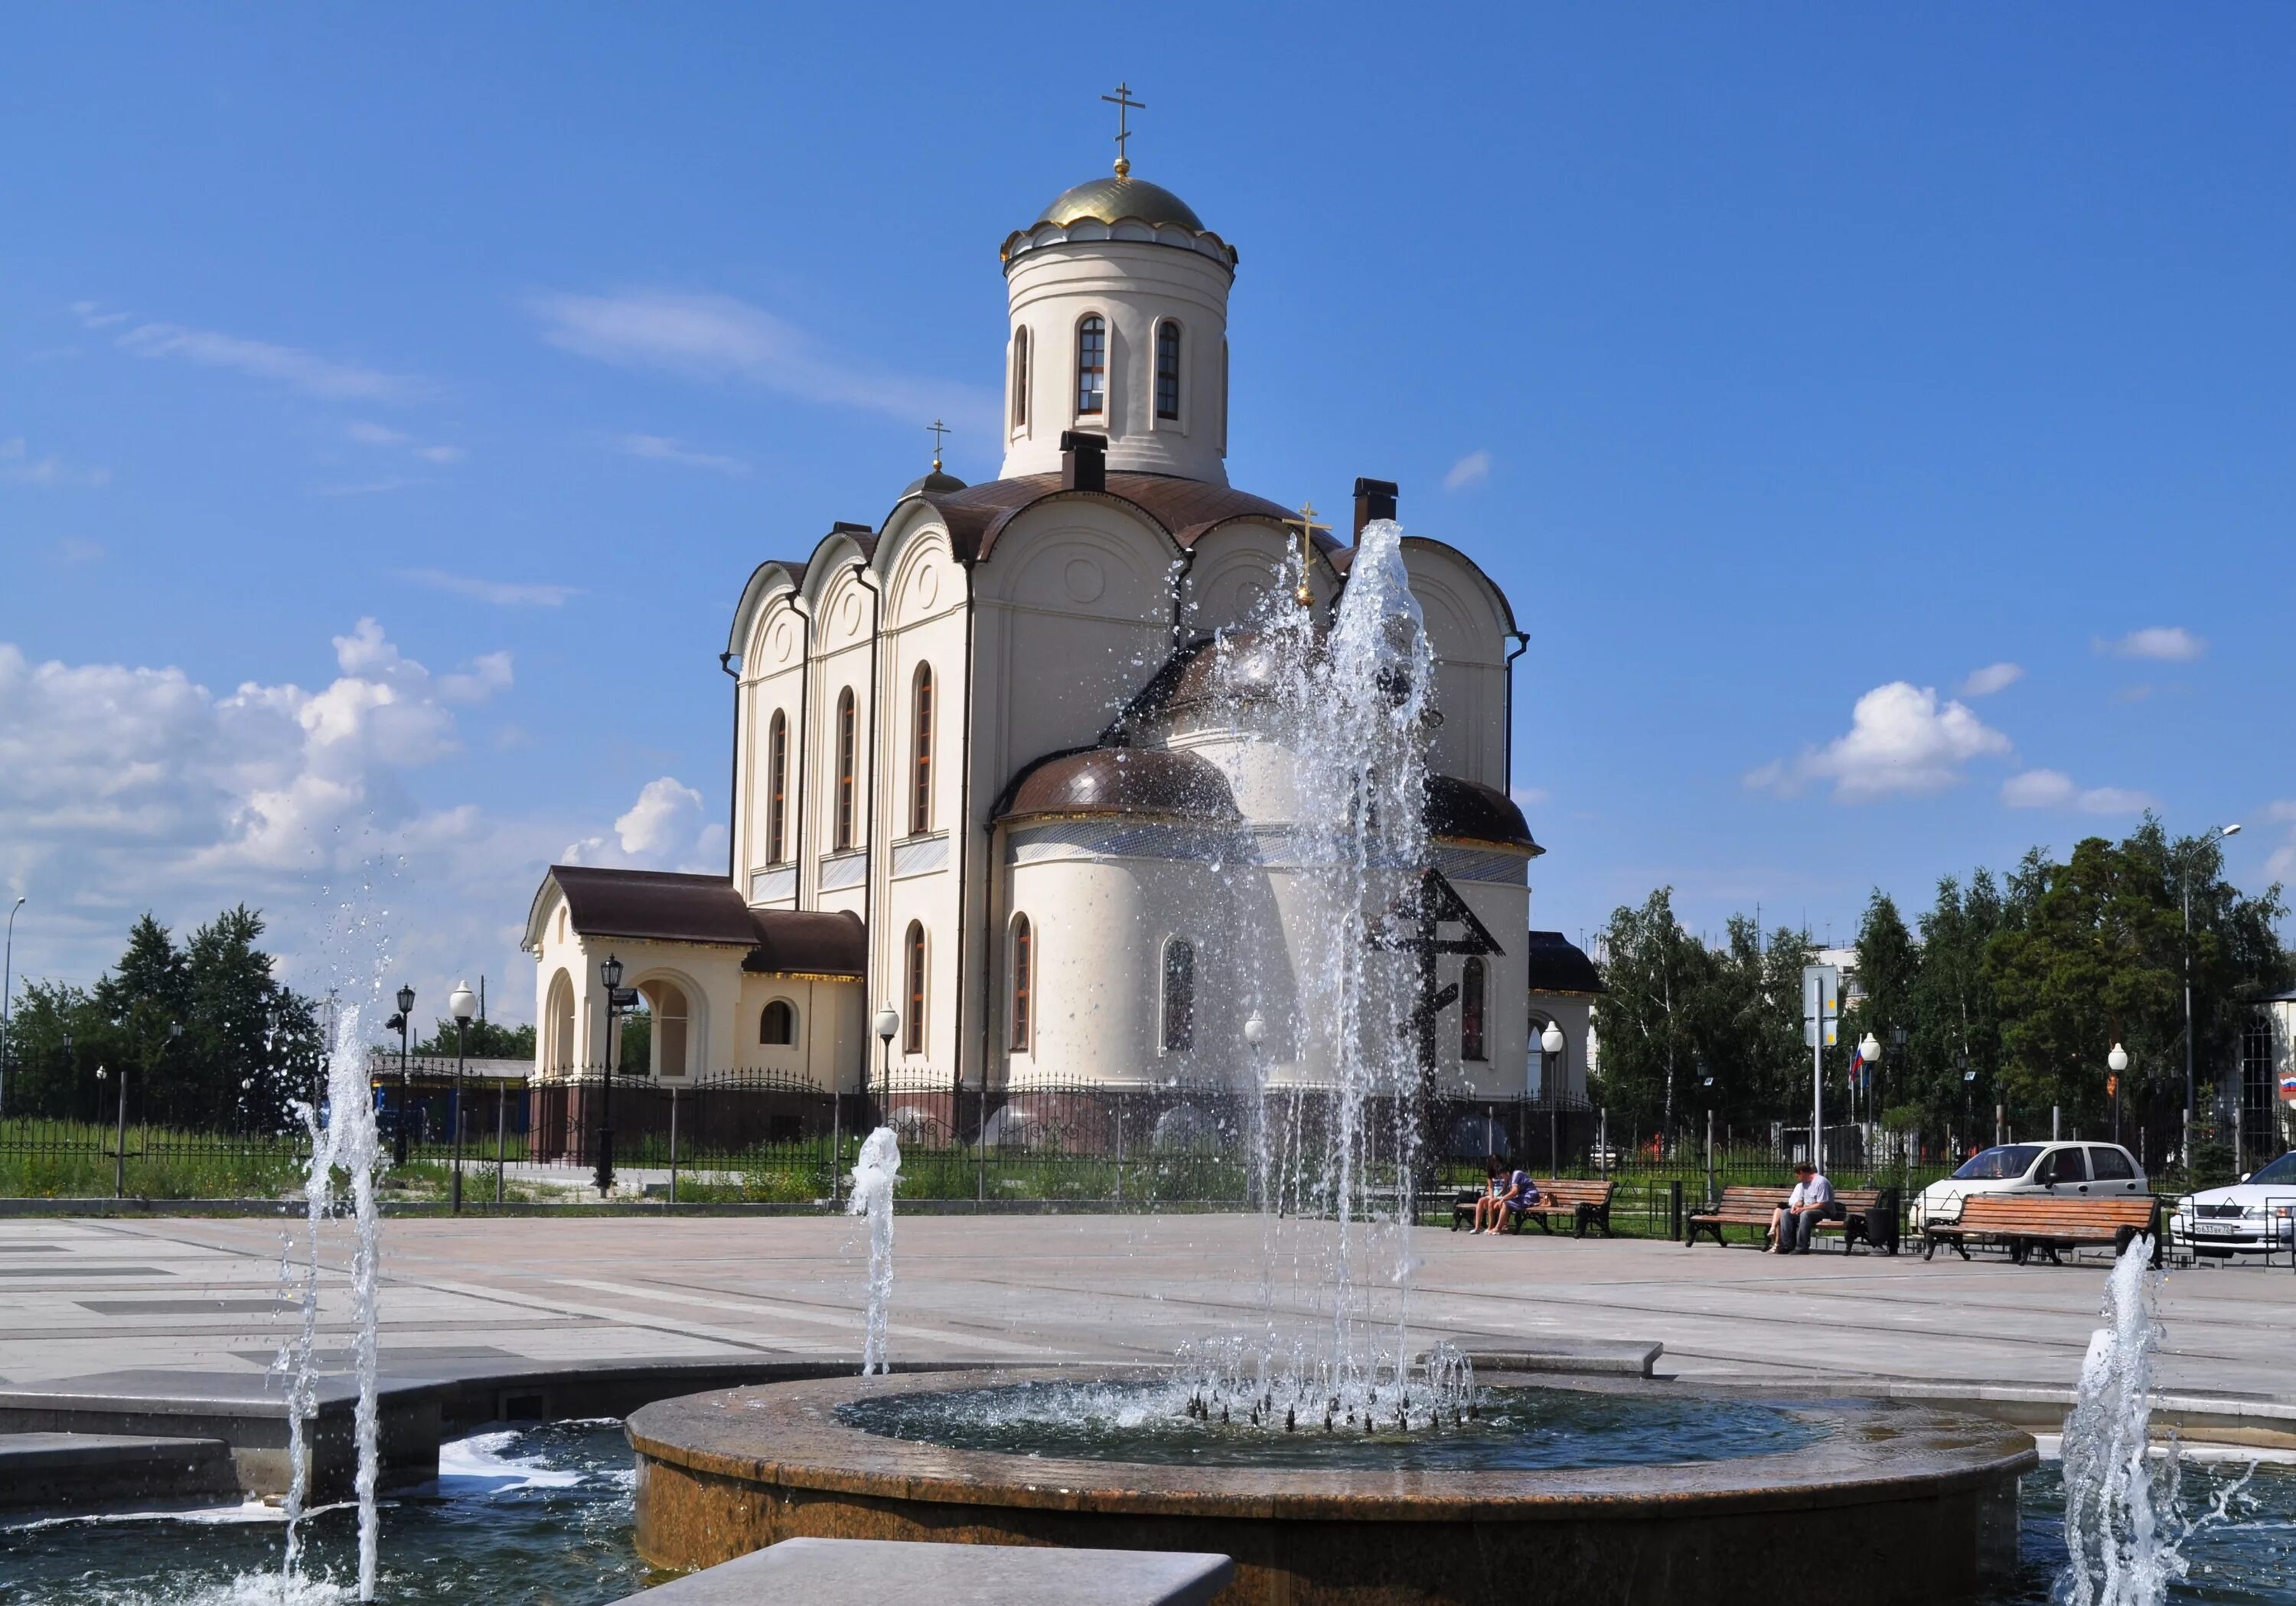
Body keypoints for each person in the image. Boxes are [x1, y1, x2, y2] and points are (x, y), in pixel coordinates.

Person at [1769, 1160, 1839, 1254]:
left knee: (1805, 1214)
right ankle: (1787, 1245)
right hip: (1809, 1210)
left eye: (1797, 1175)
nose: (1797, 1178)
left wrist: (1803, 1209)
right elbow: (1801, 1201)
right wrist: (1796, 1207)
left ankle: (1802, 1247)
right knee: (1786, 1213)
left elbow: (1823, 1204)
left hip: (1824, 1212)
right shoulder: (1804, 1184)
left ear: (1802, 1173)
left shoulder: (1821, 1182)